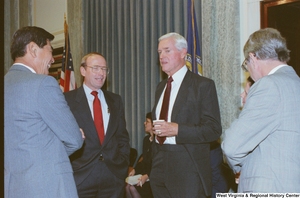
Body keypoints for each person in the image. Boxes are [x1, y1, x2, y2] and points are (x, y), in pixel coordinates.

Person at [4, 26, 84, 198]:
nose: (52, 59)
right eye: (50, 50)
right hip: (47, 187)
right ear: (33, 49)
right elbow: (74, 140)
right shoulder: (42, 84)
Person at [222, 28, 300, 192]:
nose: (248, 70)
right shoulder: (296, 84)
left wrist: (239, 169)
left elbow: (232, 146)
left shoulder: (268, 85)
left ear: (253, 57)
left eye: (246, 65)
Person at [150, 32, 222, 197]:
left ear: (183, 53)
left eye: (167, 50)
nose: (162, 56)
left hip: (187, 164)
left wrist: (178, 130)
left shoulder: (202, 85)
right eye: (159, 52)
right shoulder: (161, 87)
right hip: (159, 162)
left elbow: (213, 129)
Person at [64, 52, 131, 197]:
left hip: (113, 176)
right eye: (95, 68)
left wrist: (123, 163)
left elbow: (122, 136)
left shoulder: (115, 100)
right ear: (83, 70)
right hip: (81, 177)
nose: (101, 73)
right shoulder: (67, 100)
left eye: (104, 69)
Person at [125, 112, 154, 198]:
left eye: (147, 121)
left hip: (153, 177)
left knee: (133, 189)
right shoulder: (146, 140)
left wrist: (147, 175)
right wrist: (134, 170)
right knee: (127, 187)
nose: (144, 123)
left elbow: (157, 164)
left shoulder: (158, 142)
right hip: (144, 175)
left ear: (153, 125)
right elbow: (144, 160)